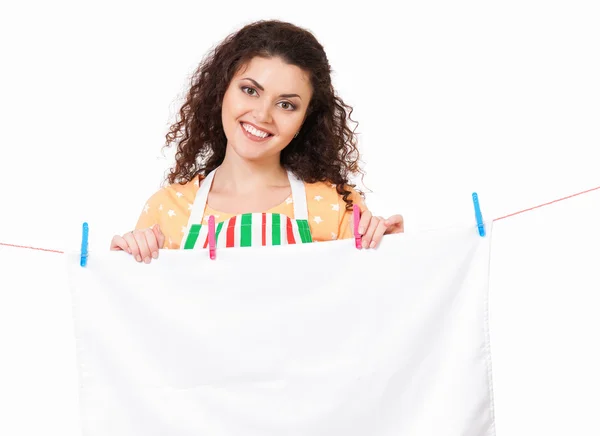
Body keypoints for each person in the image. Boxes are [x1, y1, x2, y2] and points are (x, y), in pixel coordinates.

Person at [110, 20, 404, 264]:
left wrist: (396, 255)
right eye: (250, 90)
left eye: (286, 105)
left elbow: (368, 315)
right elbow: (142, 323)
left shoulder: (338, 207)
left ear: (306, 118)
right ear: (221, 89)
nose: (262, 115)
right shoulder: (167, 209)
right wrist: (123, 268)